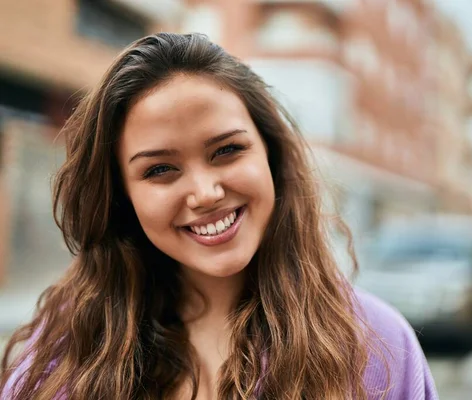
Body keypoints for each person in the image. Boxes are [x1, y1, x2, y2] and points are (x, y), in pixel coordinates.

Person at [0, 33, 438, 400]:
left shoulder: (379, 347)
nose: (206, 193)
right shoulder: (59, 360)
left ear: (270, 153)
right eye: (159, 170)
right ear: (122, 197)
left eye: (227, 150)